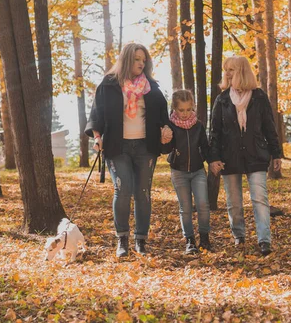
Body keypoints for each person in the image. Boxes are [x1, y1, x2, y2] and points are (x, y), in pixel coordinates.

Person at [85, 43, 172, 257]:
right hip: (117, 146)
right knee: (122, 190)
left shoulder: (151, 87)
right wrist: (97, 137)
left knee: (143, 193)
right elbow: (98, 113)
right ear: (126, 60)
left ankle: (141, 240)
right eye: (137, 59)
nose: (141, 63)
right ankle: (122, 239)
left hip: (146, 146)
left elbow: (163, 118)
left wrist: (166, 130)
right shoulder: (109, 84)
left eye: (144, 60)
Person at [209, 56, 281, 256]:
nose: (227, 74)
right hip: (229, 156)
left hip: (256, 154)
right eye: (226, 70)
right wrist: (213, 157)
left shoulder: (258, 97)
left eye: (231, 69)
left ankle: (264, 240)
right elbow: (214, 132)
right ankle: (238, 235)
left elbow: (269, 127)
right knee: (234, 201)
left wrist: (276, 153)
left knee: (260, 198)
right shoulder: (222, 100)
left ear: (242, 71)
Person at [161, 90, 212, 254]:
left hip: (198, 171)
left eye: (188, 110)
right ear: (175, 109)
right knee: (186, 207)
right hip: (179, 171)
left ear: (193, 108)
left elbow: (205, 147)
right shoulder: (171, 126)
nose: (185, 114)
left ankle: (204, 238)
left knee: (203, 204)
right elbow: (165, 149)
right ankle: (190, 241)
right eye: (181, 110)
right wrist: (164, 139)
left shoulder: (198, 126)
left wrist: (212, 161)